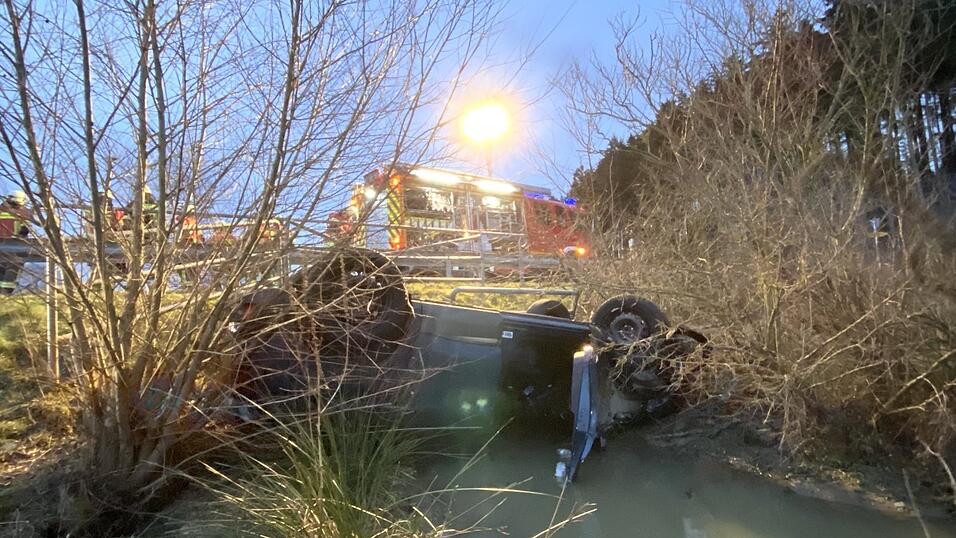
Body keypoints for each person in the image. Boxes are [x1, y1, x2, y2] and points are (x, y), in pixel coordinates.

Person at [0, 191, 32, 295]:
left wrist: (23, 233)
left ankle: (5, 294)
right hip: (13, 245)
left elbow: (26, 228)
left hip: (15, 245)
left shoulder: (23, 212)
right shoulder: (24, 212)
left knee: (10, 269)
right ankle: (5, 293)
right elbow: (26, 228)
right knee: (11, 268)